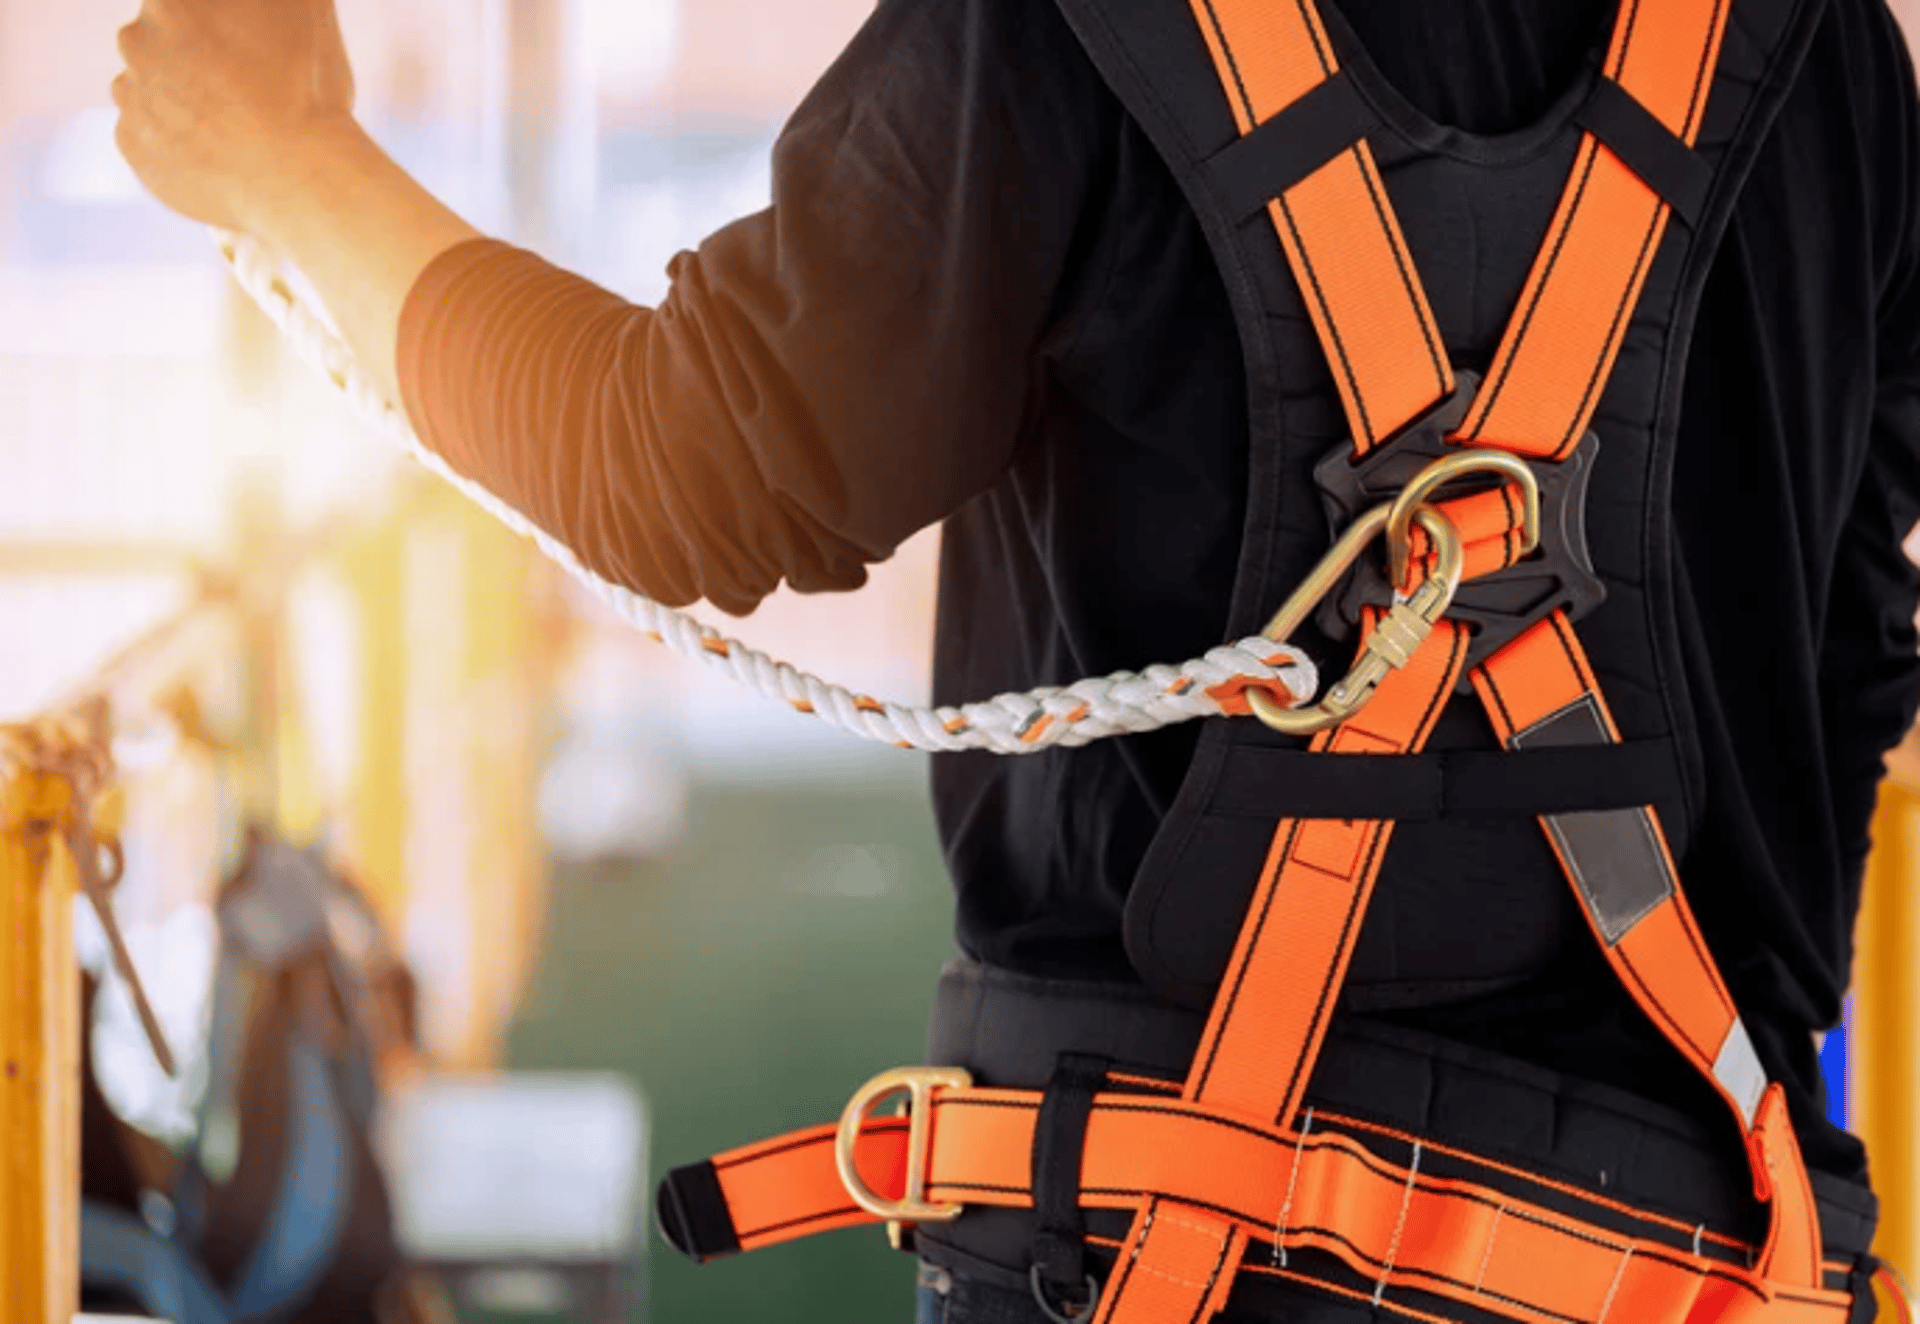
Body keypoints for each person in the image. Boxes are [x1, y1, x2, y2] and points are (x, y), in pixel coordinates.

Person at [112, 0, 1920, 1320]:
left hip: (1161, 1255)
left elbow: (695, 465)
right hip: (1683, 1256)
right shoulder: (1822, 53)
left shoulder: (1060, 31)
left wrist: (292, 168)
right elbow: (1854, 641)